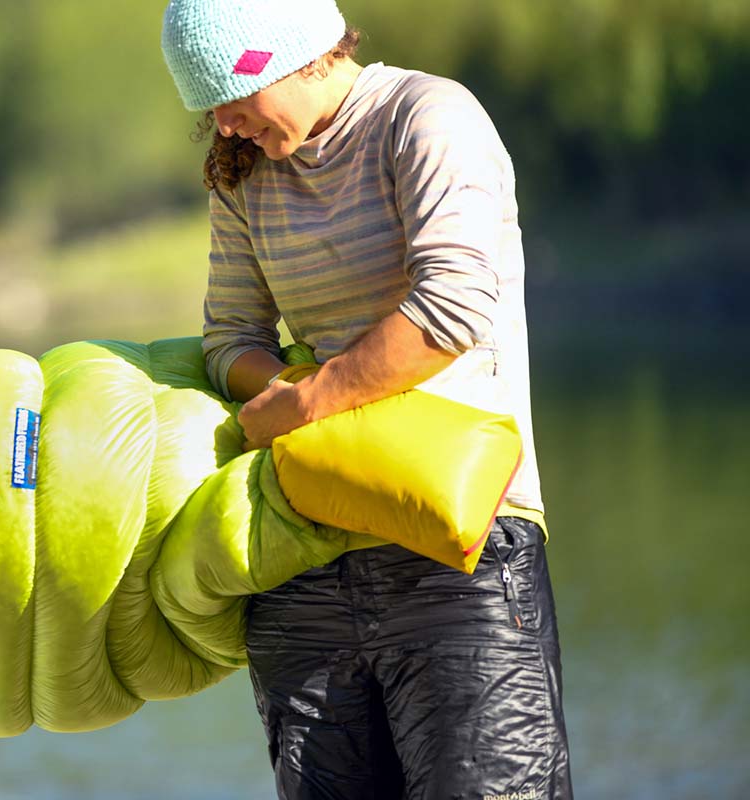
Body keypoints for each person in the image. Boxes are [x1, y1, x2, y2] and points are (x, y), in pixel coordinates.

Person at [160, 1, 573, 798]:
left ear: (300, 54)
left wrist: (309, 400)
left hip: (461, 555)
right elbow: (227, 339)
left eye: (234, 97)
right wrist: (276, 394)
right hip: (302, 556)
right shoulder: (243, 169)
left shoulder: (427, 116)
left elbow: (449, 308)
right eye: (209, 107)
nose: (226, 123)